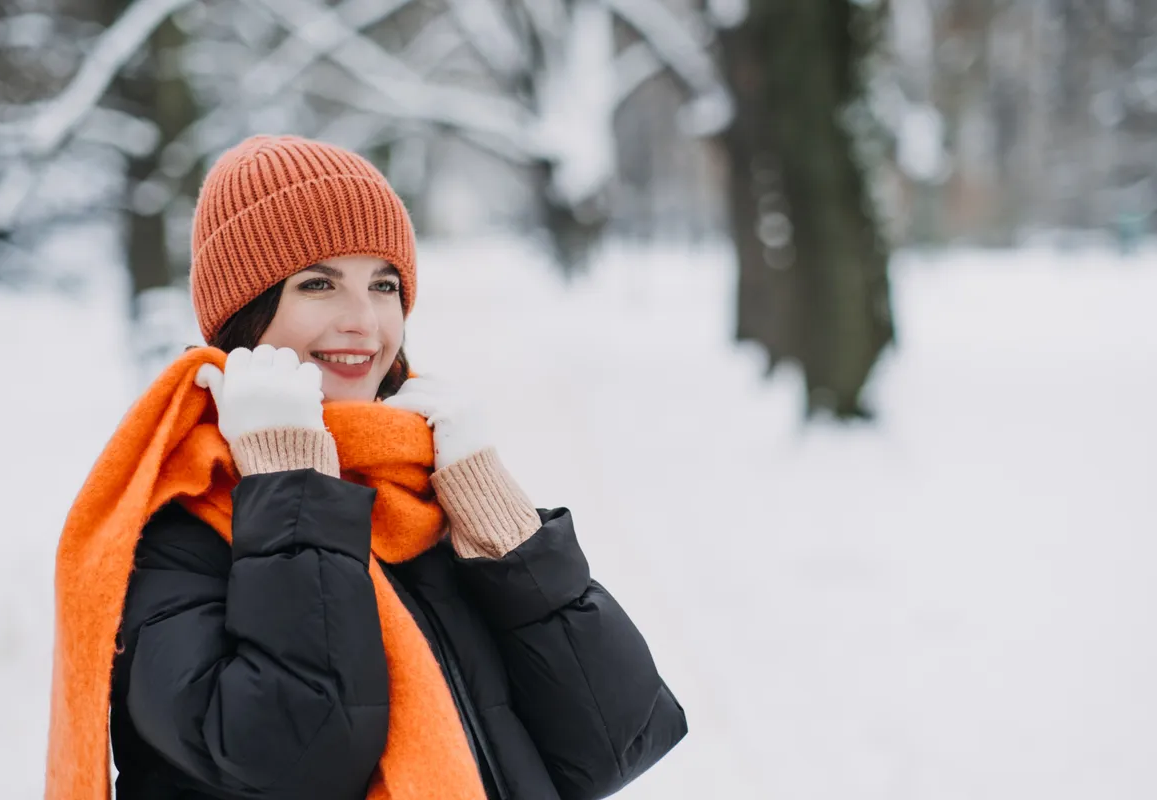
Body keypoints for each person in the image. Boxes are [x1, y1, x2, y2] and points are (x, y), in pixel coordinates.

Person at [45, 134, 686, 800]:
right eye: (318, 283)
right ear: (245, 313)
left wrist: (502, 528)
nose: (364, 321)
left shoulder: (423, 496)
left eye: (384, 285)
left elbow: (616, 743)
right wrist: (292, 490)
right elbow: (297, 762)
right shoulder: (176, 529)